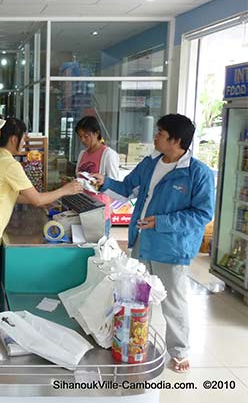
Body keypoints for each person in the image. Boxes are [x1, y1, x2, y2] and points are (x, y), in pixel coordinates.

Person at [92, 114, 214, 373]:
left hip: (172, 248)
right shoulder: (151, 164)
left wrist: (161, 222)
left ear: (176, 140)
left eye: (160, 133)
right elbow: (127, 188)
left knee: (173, 302)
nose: (155, 137)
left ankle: (179, 351)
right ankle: (135, 340)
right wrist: (105, 183)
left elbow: (202, 214)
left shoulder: (197, 173)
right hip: (141, 241)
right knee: (135, 296)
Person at [0, 117, 83, 327]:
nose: (24, 141)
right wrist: (65, 190)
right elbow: (36, 198)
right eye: (23, 137)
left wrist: (41, 201)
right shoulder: (10, 164)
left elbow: (10, 195)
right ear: (13, 139)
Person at [74, 116, 119, 236]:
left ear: (96, 133)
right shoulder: (82, 154)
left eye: (86, 136)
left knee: (98, 248)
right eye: (80, 136)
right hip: (81, 208)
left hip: (99, 212)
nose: (83, 140)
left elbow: (114, 186)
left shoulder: (108, 154)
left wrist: (98, 186)